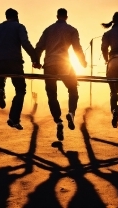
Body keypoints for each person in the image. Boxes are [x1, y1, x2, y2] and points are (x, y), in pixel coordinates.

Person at [34, 8, 87, 141]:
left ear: (57, 16)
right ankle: (71, 113)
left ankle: (58, 121)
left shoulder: (48, 30)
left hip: (50, 64)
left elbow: (39, 46)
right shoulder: (72, 30)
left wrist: (36, 61)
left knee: (52, 94)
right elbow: (77, 48)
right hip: (64, 64)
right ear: (66, 17)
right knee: (73, 89)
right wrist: (82, 62)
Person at [0, 8, 38, 130]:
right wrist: (35, 58)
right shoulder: (19, 27)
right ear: (16, 16)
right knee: (20, 89)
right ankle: (13, 118)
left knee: (0, 76)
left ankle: (1, 88)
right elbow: (25, 43)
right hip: (14, 62)